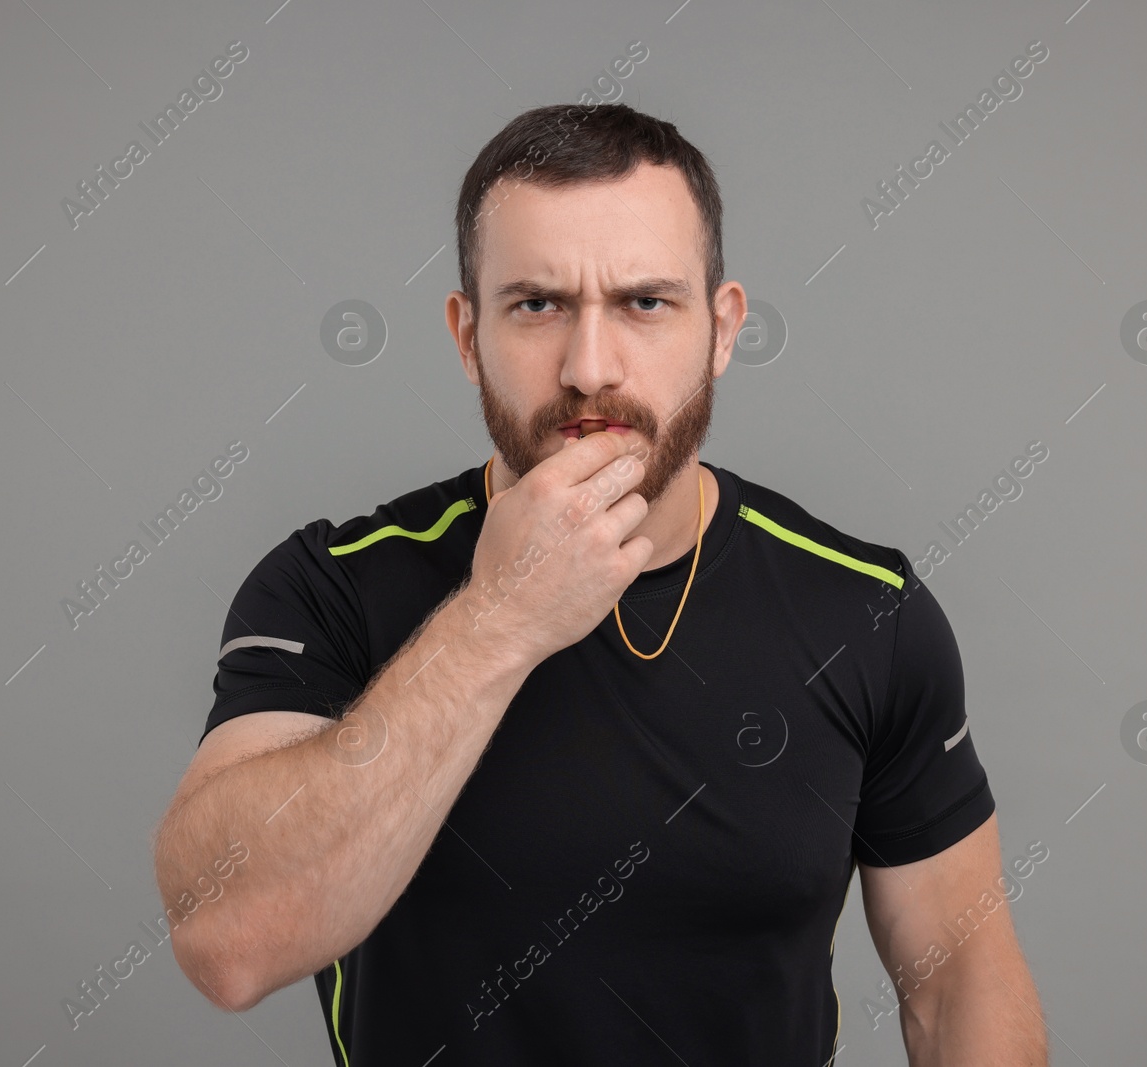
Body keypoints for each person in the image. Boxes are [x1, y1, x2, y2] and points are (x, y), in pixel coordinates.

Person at [153, 102, 1048, 1065]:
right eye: (537, 304)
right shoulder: (331, 588)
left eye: (644, 303)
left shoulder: (868, 611)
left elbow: (959, 986)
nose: (589, 369)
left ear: (721, 329)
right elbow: (225, 941)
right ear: (466, 335)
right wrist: (499, 619)